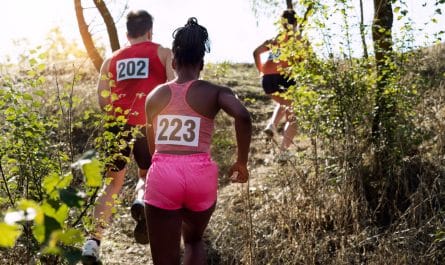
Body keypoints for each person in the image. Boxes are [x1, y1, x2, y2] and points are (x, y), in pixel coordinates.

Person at [144, 17, 252, 264]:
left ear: (173, 61)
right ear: (201, 63)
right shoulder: (215, 91)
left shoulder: (154, 96)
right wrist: (241, 163)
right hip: (200, 177)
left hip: (164, 175)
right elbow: (243, 116)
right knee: (193, 241)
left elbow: (153, 149)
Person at [81, 10, 175, 264]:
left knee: (112, 184)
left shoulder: (111, 59)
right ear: (149, 31)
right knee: (146, 173)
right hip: (149, 124)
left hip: (117, 124)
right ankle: (141, 200)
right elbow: (175, 86)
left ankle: (92, 243)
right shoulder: (163, 52)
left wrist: (119, 115)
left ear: (126, 33)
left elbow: (102, 100)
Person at [253, 9, 299, 155]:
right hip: (283, 78)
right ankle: (283, 153)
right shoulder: (297, 40)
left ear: (282, 23)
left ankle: (272, 125)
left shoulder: (275, 39)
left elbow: (256, 52)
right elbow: (303, 62)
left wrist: (262, 71)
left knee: (284, 103)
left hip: (267, 80)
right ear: (297, 22)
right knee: (292, 118)